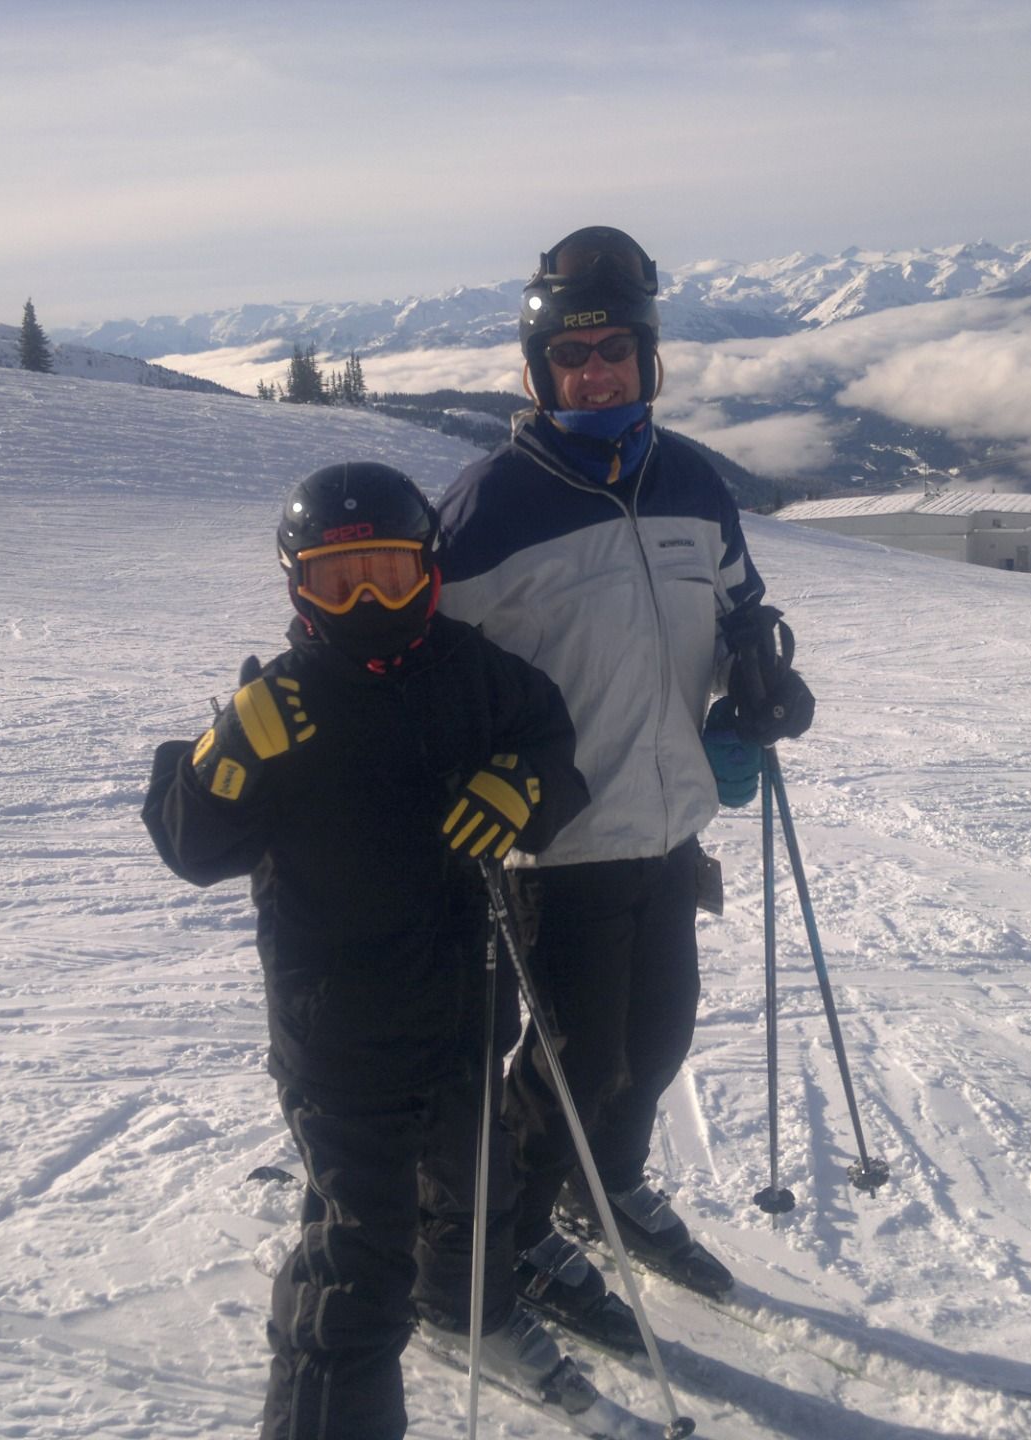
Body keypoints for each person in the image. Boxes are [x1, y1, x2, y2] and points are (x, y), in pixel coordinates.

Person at [142, 462, 593, 1440]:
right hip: (335, 1032)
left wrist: (528, 784)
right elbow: (193, 849)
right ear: (297, 586)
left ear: (428, 568)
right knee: (359, 1252)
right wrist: (218, 767)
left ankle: (467, 1311)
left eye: (389, 572)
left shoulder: (478, 672)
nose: (371, 600)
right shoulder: (282, 706)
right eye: (339, 579)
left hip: (466, 1005)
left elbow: (554, 745)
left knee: (475, 1190)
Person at [435, 225, 814, 1348]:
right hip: (553, 844)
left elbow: (740, 604)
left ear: (650, 360)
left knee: (655, 1044)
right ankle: (501, 1236)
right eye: (571, 356)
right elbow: (419, 666)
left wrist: (762, 675)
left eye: (616, 352)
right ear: (537, 370)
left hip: (668, 825)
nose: (594, 373)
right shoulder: (489, 505)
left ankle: (605, 1187)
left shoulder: (692, 478)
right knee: (571, 1062)